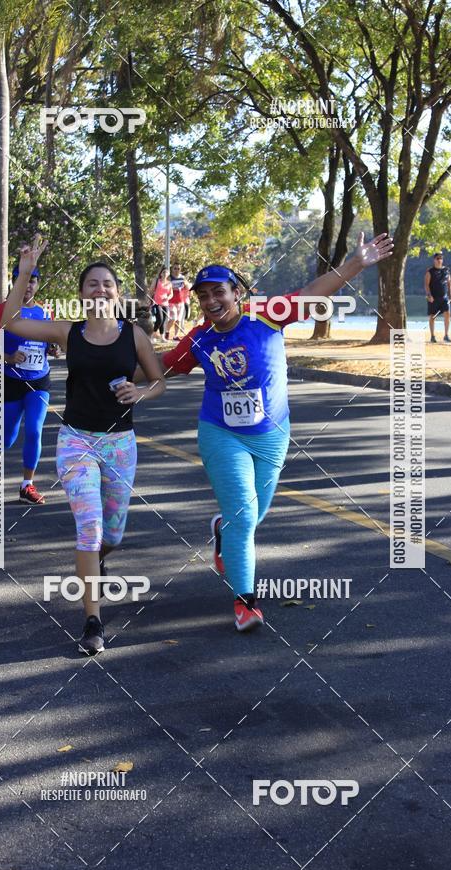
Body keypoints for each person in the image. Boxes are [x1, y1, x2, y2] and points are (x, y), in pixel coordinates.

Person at [159, 232, 394, 632]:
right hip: (220, 433)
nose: (211, 301)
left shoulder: (266, 313)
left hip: (272, 434)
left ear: (237, 292)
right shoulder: (198, 339)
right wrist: (102, 362)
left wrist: (356, 262)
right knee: (244, 514)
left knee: (252, 516)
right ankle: (245, 601)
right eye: (203, 296)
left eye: (219, 292)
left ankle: (221, 532)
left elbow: (314, 291)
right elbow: (162, 366)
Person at [0, 237, 166, 655]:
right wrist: (24, 271)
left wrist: (140, 393)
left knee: (113, 533)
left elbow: (158, 380)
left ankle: (98, 559)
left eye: (106, 283)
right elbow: (10, 322)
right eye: (91, 284)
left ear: (118, 292)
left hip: (120, 446)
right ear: (80, 294)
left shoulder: (135, 336)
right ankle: (93, 622)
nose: (99, 289)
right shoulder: (68, 332)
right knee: (89, 529)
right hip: (77, 442)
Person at [0, 264, 56, 504]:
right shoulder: (2, 311)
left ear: (38, 284)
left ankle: (27, 485)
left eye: (32, 281)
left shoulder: (45, 313)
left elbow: (50, 344)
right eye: (22, 280)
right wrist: (7, 357)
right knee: (7, 437)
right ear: (14, 283)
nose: (27, 286)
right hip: (10, 380)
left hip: (39, 381)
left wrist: (54, 348)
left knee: (34, 430)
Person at [425, 251, 451, 343]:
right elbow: (426, 285)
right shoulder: (430, 271)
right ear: (434, 260)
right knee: (433, 316)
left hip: (444, 298)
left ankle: (446, 335)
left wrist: (450, 294)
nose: (439, 260)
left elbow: (449, 283)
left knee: (447, 314)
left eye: (441, 258)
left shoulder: (446, 270)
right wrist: (429, 295)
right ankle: (432, 336)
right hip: (433, 298)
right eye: (437, 259)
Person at [166, 263, 191, 341]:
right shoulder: (170, 278)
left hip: (180, 301)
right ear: (172, 269)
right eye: (175, 268)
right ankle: (166, 332)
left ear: (180, 270)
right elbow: (166, 287)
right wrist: (174, 288)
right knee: (173, 318)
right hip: (171, 301)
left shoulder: (182, 278)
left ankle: (176, 336)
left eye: (178, 268)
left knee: (179, 319)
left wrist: (186, 285)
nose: (176, 270)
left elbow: (188, 287)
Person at [149, 266, 173, 340]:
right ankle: (152, 334)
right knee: (160, 319)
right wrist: (150, 300)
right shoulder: (157, 281)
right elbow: (151, 291)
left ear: (168, 274)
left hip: (165, 304)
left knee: (164, 320)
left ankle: (162, 337)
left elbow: (171, 294)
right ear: (161, 274)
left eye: (166, 272)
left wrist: (168, 298)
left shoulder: (169, 283)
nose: (165, 273)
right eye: (164, 272)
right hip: (157, 303)